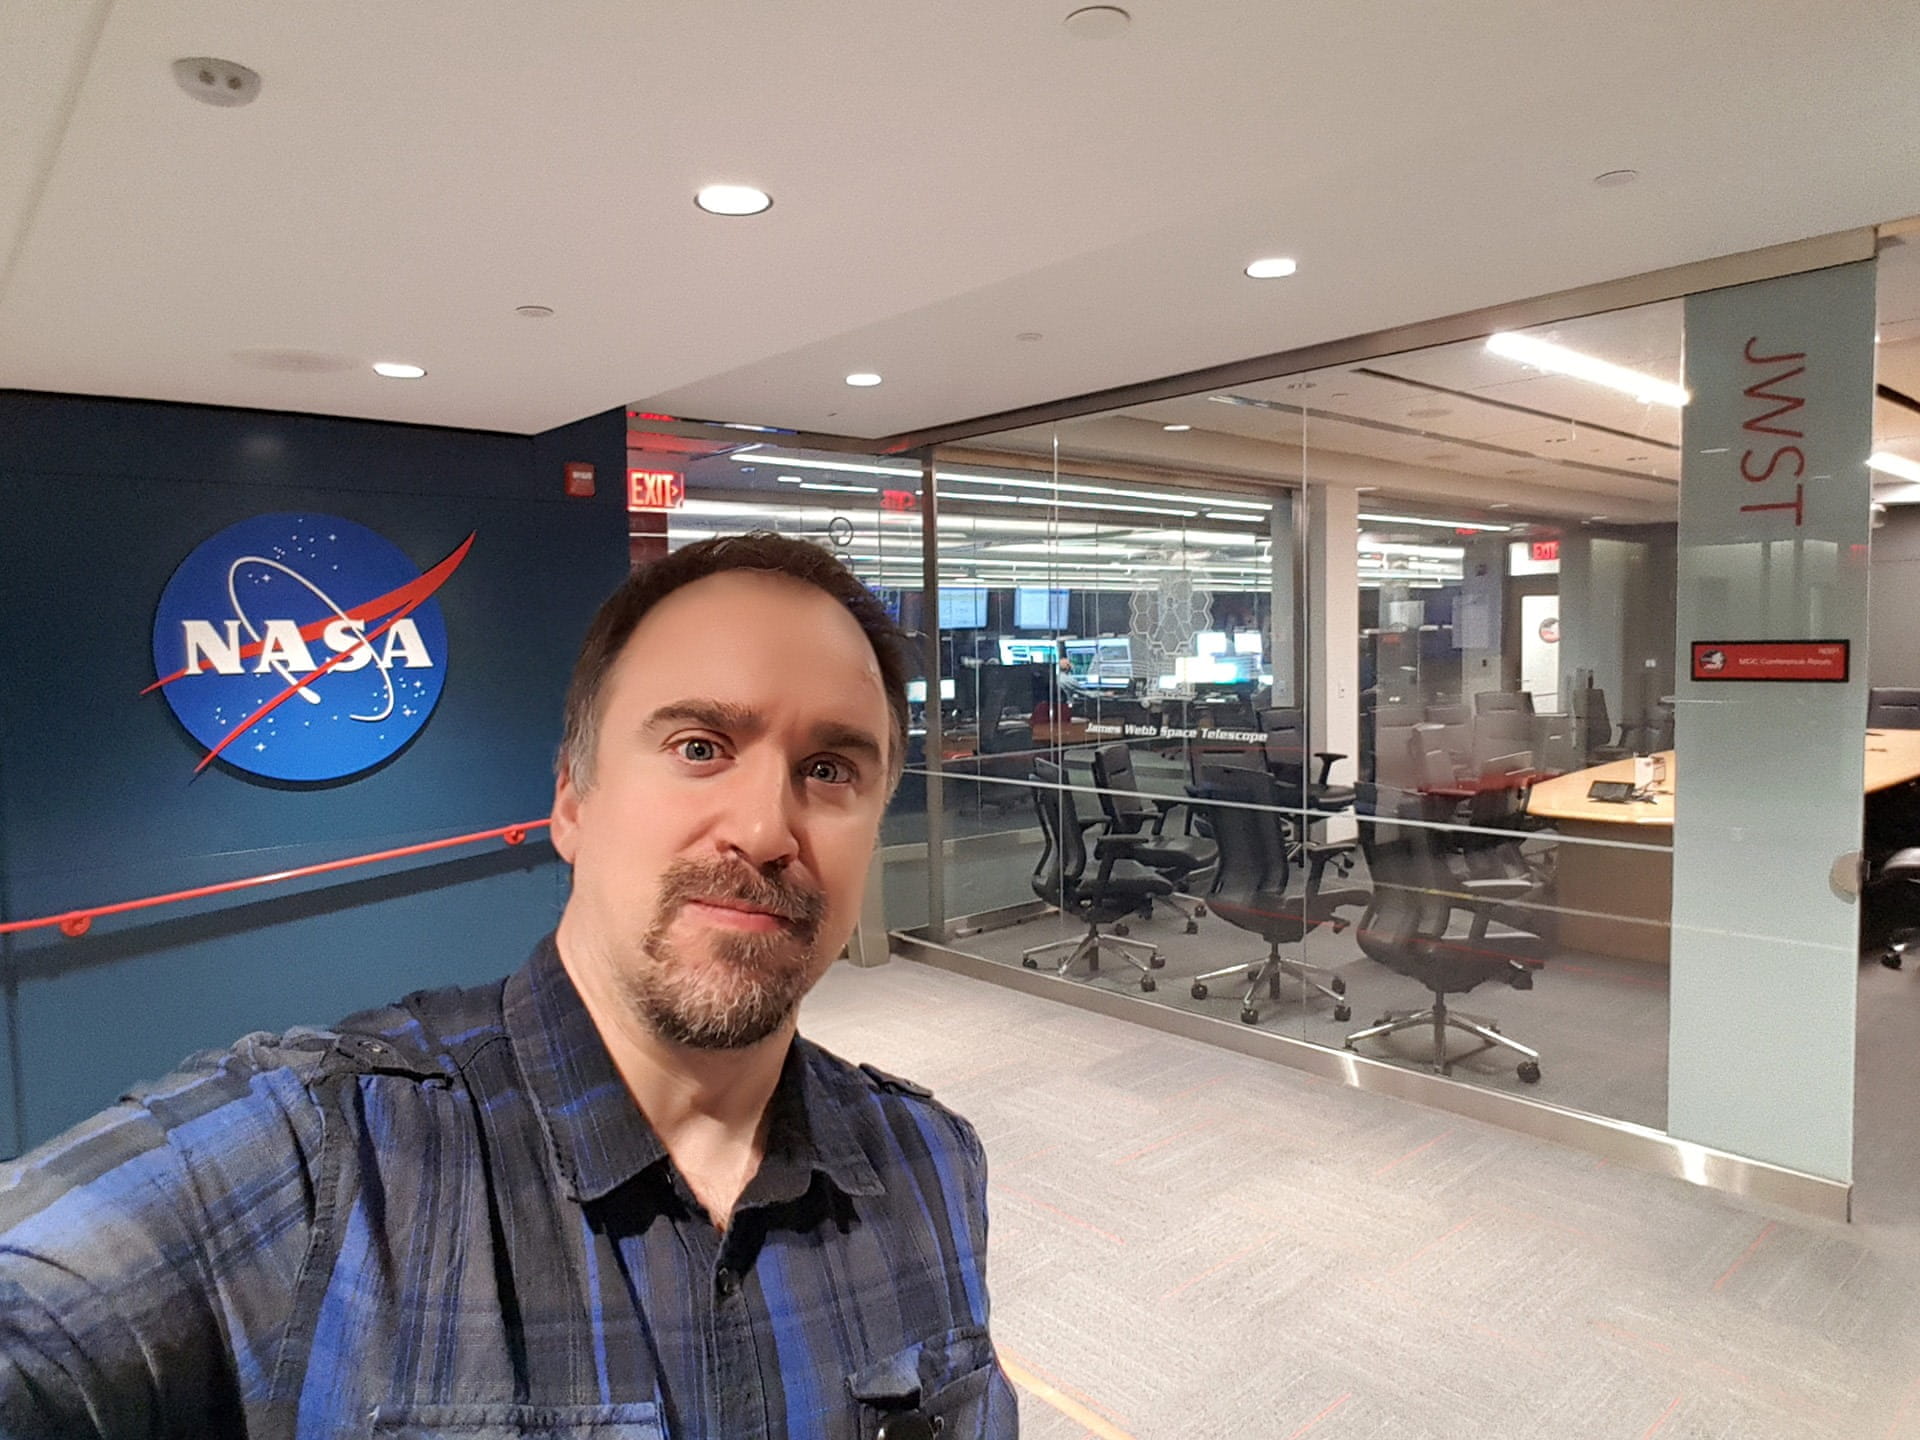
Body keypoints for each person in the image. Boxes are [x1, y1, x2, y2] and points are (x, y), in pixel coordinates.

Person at [0, 532, 1017, 1439]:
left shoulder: (931, 1162)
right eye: (700, 747)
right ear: (572, 799)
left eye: (831, 769)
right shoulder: (315, 1167)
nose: (763, 829)